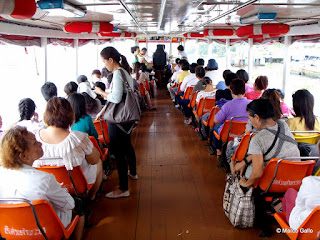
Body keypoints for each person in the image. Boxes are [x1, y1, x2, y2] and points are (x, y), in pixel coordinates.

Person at [0, 126, 84, 240]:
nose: (40, 143)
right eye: (35, 143)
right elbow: (69, 204)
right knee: (78, 204)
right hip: (45, 231)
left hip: (11, 231)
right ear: (23, 156)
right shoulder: (44, 179)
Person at [233, 98, 300, 237]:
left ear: (256, 117)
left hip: (273, 182)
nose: (250, 122)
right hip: (295, 178)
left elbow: (257, 173)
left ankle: (263, 226)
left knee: (255, 187)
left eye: (250, 118)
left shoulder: (257, 140)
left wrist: (245, 183)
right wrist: (246, 160)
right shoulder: (283, 125)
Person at [32, 97, 102, 201]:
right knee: (99, 163)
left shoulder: (34, 138)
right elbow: (94, 160)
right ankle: (91, 196)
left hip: (46, 187)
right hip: (75, 186)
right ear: (70, 113)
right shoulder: (78, 138)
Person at [94, 46, 138, 199]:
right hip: (126, 118)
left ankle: (123, 188)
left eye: (104, 61)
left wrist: (101, 93)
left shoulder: (118, 74)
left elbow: (115, 98)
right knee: (127, 146)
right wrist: (103, 110)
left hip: (118, 120)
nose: (104, 65)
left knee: (118, 152)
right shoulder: (125, 72)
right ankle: (133, 172)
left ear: (111, 60)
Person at [213, 79, 251, 155]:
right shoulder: (251, 104)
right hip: (246, 134)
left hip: (228, 135)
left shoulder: (227, 105)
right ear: (245, 90)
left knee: (216, 127)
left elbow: (216, 120)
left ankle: (218, 150)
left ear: (232, 91)